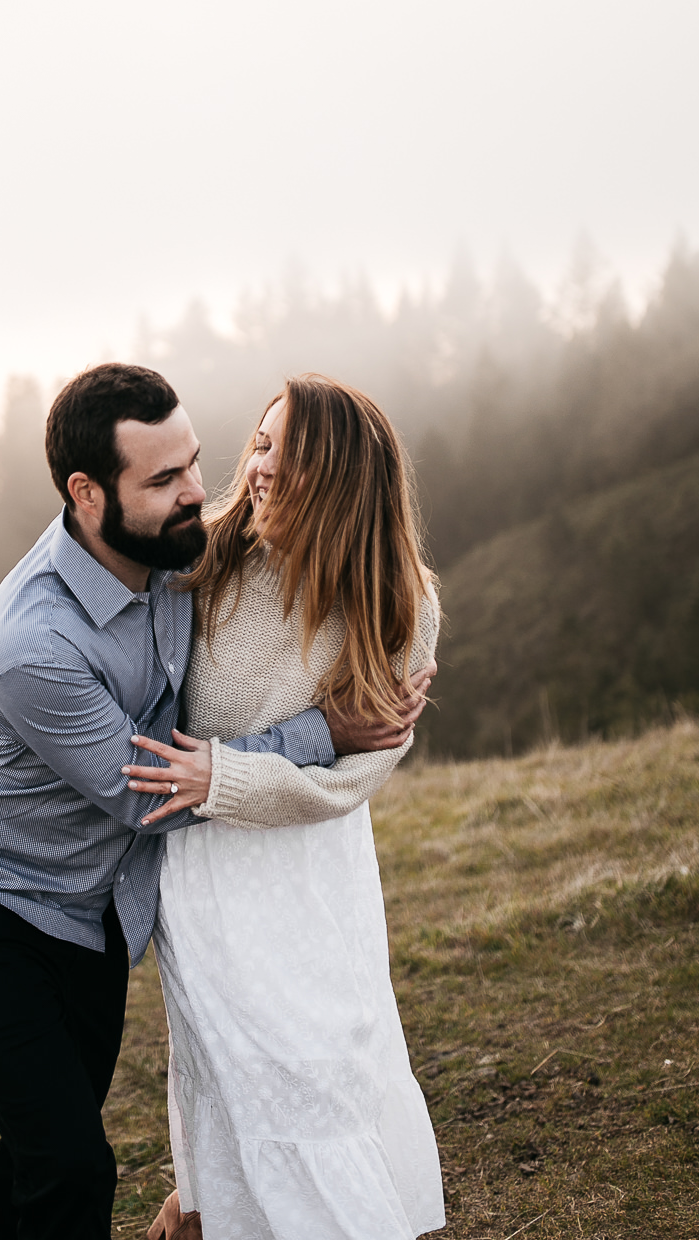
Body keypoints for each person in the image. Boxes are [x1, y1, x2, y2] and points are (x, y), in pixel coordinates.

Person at [0, 363, 431, 1240]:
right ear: (88, 492)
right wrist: (326, 730)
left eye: (194, 462)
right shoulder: (33, 642)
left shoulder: (177, 550)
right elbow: (152, 791)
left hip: (101, 913)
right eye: (165, 480)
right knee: (72, 1167)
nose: (201, 492)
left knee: (40, 1157)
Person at [126, 376, 445, 1240]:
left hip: (316, 871)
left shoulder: (399, 601)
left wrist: (223, 778)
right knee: (239, 1072)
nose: (255, 467)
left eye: (280, 451)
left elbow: (353, 777)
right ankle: (207, 1215)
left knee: (328, 1072)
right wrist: (210, 787)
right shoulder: (211, 557)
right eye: (258, 445)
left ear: (335, 473)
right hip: (207, 873)